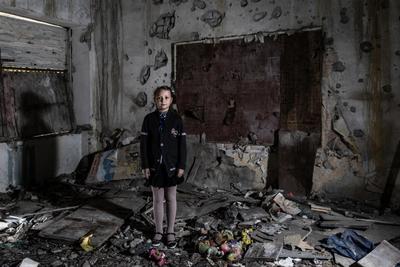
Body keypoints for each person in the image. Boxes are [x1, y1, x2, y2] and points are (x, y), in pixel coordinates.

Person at [140, 85, 187, 249]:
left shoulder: (177, 120)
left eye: (166, 98)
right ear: (155, 100)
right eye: (160, 98)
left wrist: (181, 165)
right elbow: (144, 145)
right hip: (154, 167)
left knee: (171, 198)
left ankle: (171, 231)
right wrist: (145, 165)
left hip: (172, 166)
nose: (163, 101)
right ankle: (159, 230)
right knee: (158, 199)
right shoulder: (149, 119)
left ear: (171, 100)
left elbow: (182, 145)